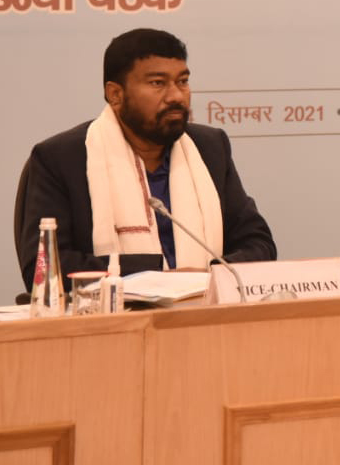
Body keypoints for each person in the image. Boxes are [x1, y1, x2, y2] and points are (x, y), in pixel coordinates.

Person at [17, 28, 276, 290]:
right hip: (110, 313)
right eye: (157, 83)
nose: (176, 96)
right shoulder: (62, 159)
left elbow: (259, 244)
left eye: (182, 81)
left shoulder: (209, 148)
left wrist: (210, 276)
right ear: (115, 94)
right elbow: (44, 268)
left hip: (204, 307)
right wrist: (159, 277)